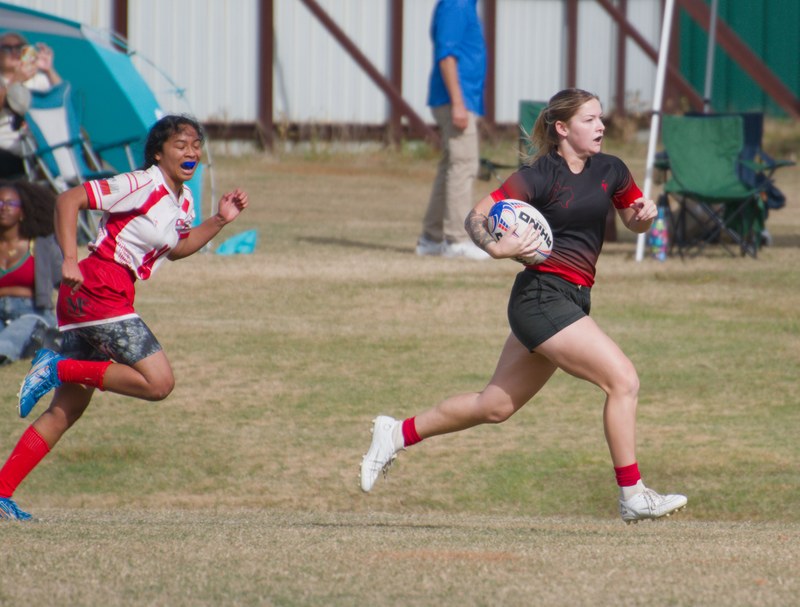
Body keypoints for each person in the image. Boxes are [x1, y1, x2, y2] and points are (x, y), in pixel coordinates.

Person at [362, 88, 688, 523]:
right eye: (590, 120)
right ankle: (632, 494)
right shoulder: (539, 176)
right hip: (541, 298)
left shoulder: (611, 169)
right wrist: (497, 249)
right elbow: (476, 216)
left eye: (600, 118)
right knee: (623, 381)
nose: (601, 126)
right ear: (562, 128)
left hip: (570, 298)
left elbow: (633, 218)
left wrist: (643, 218)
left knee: (494, 406)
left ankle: (396, 432)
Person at [0, 115, 249, 520]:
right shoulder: (141, 183)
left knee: (66, 412)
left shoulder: (182, 200)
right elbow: (69, 200)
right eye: (181, 145)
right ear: (158, 153)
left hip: (105, 293)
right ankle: (59, 368)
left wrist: (220, 220)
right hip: (98, 285)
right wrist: (68, 258)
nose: (192, 153)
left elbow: (177, 248)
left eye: (196, 146)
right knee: (159, 382)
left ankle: (1, 490)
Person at [415, 0, 489, 260]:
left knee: (450, 166)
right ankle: (457, 240)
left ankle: (430, 239)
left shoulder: (464, 5)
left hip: (461, 98)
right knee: (464, 165)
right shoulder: (456, 5)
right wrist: (458, 102)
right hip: (456, 100)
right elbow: (446, 57)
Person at [0, 180, 62, 365]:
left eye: (10, 203)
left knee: (19, 330)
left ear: (23, 212)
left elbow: (65, 281)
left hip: (33, 311)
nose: (3, 208)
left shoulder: (42, 244)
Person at [0, 32, 62, 178]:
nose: (14, 52)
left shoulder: (39, 80)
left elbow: (62, 100)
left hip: (41, 145)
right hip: (7, 146)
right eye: (7, 48)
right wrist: (16, 80)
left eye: (20, 48)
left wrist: (49, 70)